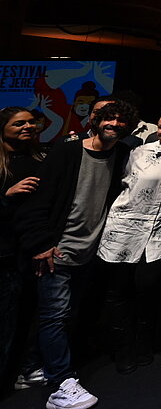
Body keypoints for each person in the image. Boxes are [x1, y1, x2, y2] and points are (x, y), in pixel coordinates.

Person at [17, 100, 138, 409]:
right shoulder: (67, 151)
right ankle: (61, 384)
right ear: (96, 121)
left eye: (122, 121)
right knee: (55, 317)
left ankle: (31, 368)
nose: (114, 125)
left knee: (62, 317)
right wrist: (41, 244)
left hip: (89, 253)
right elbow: (37, 203)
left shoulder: (121, 154)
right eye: (109, 119)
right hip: (57, 251)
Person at [96, 108, 161, 373]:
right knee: (118, 293)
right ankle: (123, 348)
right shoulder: (136, 152)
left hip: (158, 235)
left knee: (146, 291)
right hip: (123, 230)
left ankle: (142, 344)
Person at [1, 108, 43, 391]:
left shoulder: (38, 159)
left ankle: (17, 373)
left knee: (24, 319)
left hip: (29, 253)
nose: (28, 126)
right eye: (19, 123)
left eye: (30, 122)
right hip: (3, 256)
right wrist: (5, 196)